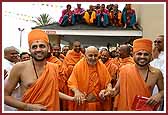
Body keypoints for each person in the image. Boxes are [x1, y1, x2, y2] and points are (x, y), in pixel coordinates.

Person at [4, 29, 76, 111]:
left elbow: (52, 92)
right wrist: (27, 106)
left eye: (42, 46)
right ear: (29, 50)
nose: (38, 49)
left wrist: (72, 98)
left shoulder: (54, 67)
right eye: (34, 47)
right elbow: (5, 96)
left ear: (48, 48)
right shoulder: (19, 67)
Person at [110, 38, 164, 111]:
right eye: (139, 54)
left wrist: (159, 95)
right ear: (133, 55)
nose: (142, 57)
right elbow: (116, 90)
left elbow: (163, 90)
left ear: (151, 55)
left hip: (145, 110)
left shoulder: (157, 73)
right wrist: (107, 92)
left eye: (146, 54)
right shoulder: (124, 70)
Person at [67, 46, 113, 111]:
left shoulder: (102, 66)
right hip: (83, 105)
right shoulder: (79, 66)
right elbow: (72, 83)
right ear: (85, 56)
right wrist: (77, 92)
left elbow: (108, 82)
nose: (93, 58)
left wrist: (108, 88)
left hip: (99, 105)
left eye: (95, 55)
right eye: (90, 55)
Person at [150, 35, 165, 110]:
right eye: (155, 42)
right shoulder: (155, 57)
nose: (156, 43)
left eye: (159, 42)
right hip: (154, 92)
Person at [4, 46, 20, 111]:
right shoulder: (5, 66)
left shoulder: (12, 64)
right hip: (9, 101)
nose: (15, 55)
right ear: (5, 55)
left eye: (16, 53)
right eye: (12, 54)